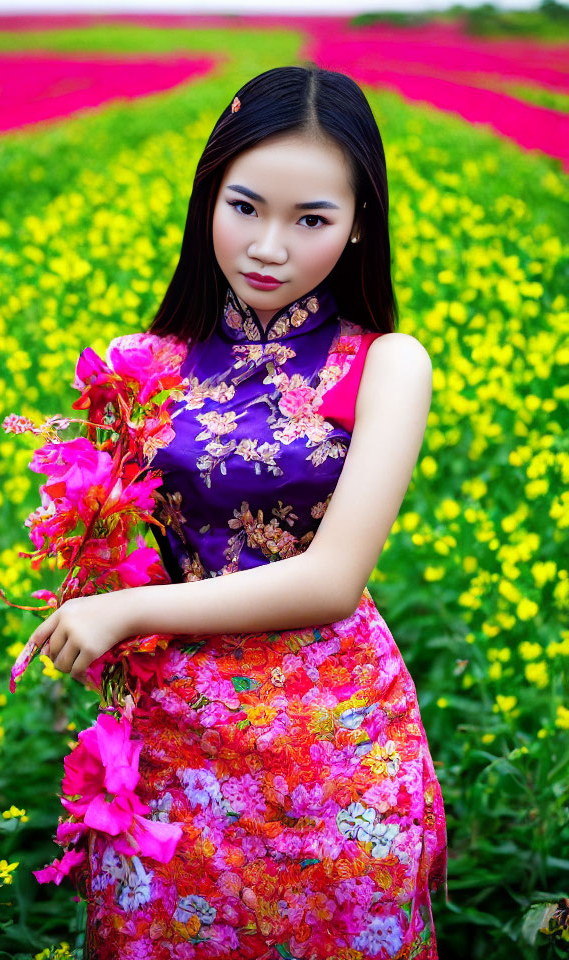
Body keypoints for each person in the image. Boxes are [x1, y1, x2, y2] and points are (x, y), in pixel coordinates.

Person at [32, 64, 448, 959]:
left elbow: (334, 581)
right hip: (170, 750)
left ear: (358, 224)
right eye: (245, 206)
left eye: (311, 220)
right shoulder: (139, 363)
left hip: (333, 748)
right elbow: (119, 551)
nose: (268, 245)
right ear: (207, 198)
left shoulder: (386, 364)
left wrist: (126, 611)